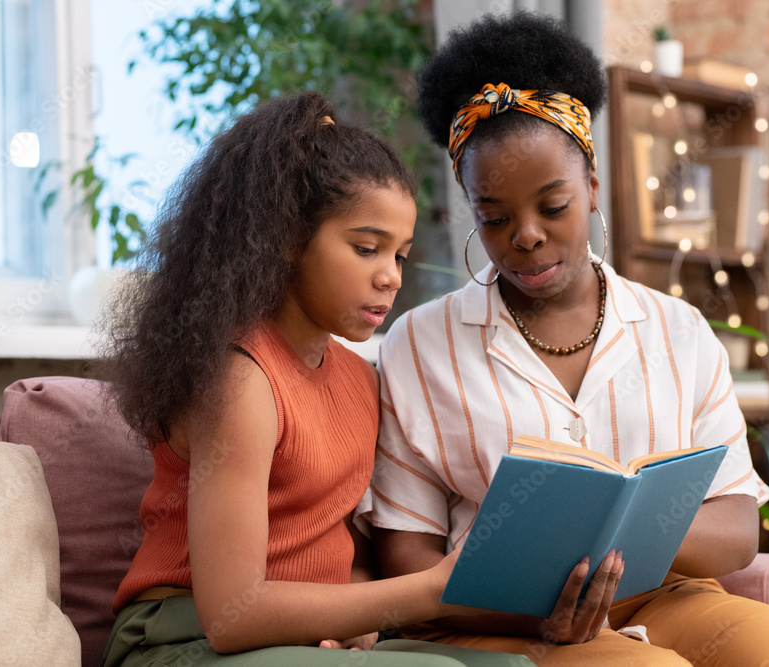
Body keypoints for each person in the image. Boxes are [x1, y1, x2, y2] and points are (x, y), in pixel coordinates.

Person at [359, 12, 769, 666]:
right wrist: (534, 594)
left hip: (663, 597)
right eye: (494, 217)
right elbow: (405, 551)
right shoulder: (420, 344)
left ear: (591, 185)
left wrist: (613, 542)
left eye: (552, 206)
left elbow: (734, 525)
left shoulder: (679, 332)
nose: (525, 235)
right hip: (494, 619)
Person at [98, 91, 540, 666]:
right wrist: (431, 590)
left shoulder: (360, 379)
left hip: (295, 642)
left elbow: (340, 550)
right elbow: (232, 613)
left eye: (401, 256)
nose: (389, 278)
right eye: (366, 249)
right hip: (182, 641)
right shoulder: (240, 378)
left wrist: (353, 613)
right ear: (285, 240)